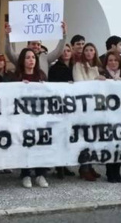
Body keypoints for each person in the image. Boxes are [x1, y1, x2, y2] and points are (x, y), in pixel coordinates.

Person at [14, 48, 49, 188]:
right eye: (28, 57)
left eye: (33, 57)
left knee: (40, 146)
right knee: (26, 146)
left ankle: (40, 174)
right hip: (23, 119)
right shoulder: (16, 76)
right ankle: (26, 174)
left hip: (39, 118)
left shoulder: (41, 75)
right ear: (23, 60)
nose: (31, 60)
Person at [72, 43, 105, 181]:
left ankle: (90, 166)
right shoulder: (78, 66)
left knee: (94, 139)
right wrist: (95, 79)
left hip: (96, 108)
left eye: (92, 50)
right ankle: (84, 168)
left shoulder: (98, 67)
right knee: (86, 139)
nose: (89, 52)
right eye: (86, 50)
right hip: (84, 108)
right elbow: (80, 84)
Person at [48, 44, 76, 179]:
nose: (66, 53)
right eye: (63, 51)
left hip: (73, 107)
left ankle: (65, 164)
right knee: (59, 137)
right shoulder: (54, 69)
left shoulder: (75, 67)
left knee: (68, 137)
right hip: (59, 107)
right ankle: (59, 167)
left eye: (68, 50)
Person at [102, 51, 121, 183]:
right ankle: (110, 171)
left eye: (115, 60)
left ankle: (117, 171)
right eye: (110, 60)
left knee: (120, 144)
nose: (113, 62)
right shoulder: (102, 75)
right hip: (107, 115)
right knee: (109, 144)